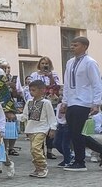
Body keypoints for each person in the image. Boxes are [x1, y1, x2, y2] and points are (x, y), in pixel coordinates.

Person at [62, 36, 102, 171]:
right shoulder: (69, 63)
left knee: (78, 132)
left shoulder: (90, 62)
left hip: (84, 101)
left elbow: (97, 83)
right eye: (72, 45)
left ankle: (80, 161)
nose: (73, 47)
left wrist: (96, 103)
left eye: (76, 45)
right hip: (72, 101)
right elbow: (67, 83)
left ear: (85, 46)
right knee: (75, 133)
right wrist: (64, 101)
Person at [15, 80, 57, 178]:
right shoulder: (29, 102)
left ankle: (43, 167)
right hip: (31, 129)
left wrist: (53, 128)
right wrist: (15, 116)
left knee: (36, 148)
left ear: (42, 90)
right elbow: (25, 116)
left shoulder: (46, 103)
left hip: (41, 129)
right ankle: (37, 168)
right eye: (30, 90)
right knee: (33, 150)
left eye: (33, 90)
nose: (31, 92)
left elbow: (51, 117)